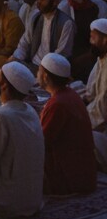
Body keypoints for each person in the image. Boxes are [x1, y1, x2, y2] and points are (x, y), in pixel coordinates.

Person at [0, 62, 44, 219]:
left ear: (4, 86)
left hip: (5, 201)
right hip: (31, 200)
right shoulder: (30, 111)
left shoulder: (2, 116)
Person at [38, 51, 97, 196]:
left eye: (39, 71)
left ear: (45, 76)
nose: (37, 74)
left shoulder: (58, 104)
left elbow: (41, 142)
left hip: (68, 176)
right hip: (81, 172)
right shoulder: (70, 95)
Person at [11, 0, 74, 69]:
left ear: (55, 2)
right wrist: (15, 58)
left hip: (51, 69)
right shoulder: (35, 17)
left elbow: (62, 53)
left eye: (42, 0)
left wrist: (44, 68)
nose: (38, 3)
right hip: (32, 63)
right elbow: (24, 43)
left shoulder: (66, 23)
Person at [85, 17, 107, 170]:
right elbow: (90, 91)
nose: (90, 41)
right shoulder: (101, 58)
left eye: (94, 37)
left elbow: (103, 107)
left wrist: (81, 119)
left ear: (105, 40)